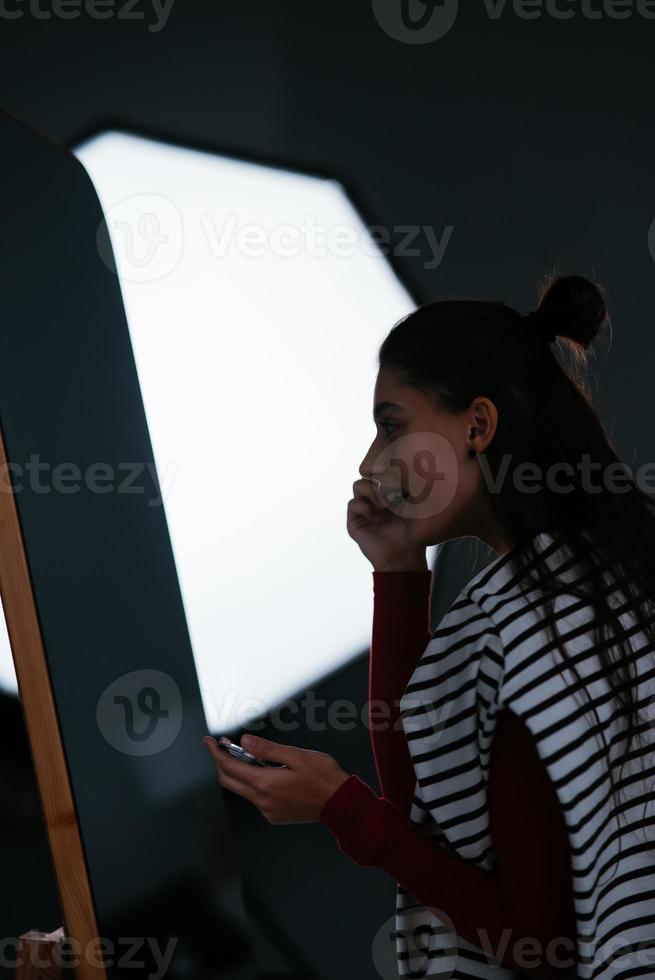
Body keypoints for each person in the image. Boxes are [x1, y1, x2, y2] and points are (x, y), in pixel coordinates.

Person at [204, 273, 655, 980]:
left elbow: (535, 941)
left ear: (476, 426)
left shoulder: (536, 631)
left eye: (391, 425)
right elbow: (438, 807)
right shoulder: (608, 572)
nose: (368, 462)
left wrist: (342, 808)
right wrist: (397, 568)